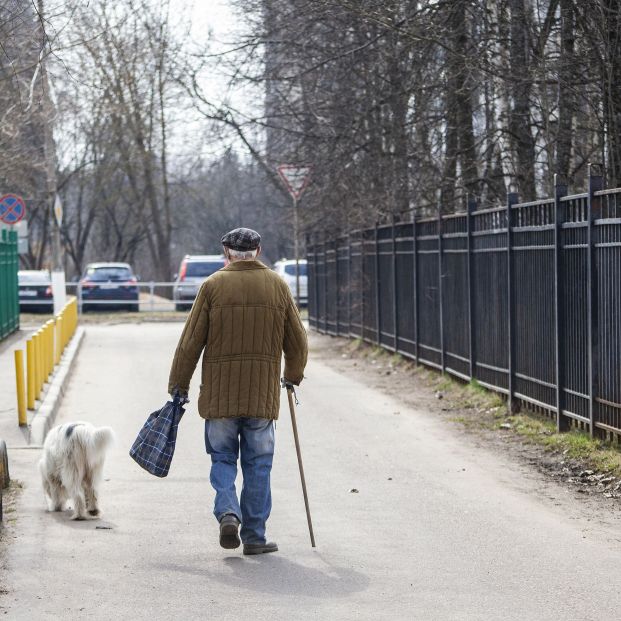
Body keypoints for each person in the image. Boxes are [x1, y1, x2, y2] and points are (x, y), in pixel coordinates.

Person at [168, 227, 308, 555]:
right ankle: (256, 537)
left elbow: (190, 343)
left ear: (227, 253)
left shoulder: (212, 286)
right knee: (259, 464)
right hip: (262, 397)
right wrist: (293, 376)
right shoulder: (277, 285)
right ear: (258, 250)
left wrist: (179, 384)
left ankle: (228, 511)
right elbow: (298, 341)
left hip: (219, 398)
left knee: (222, 457)